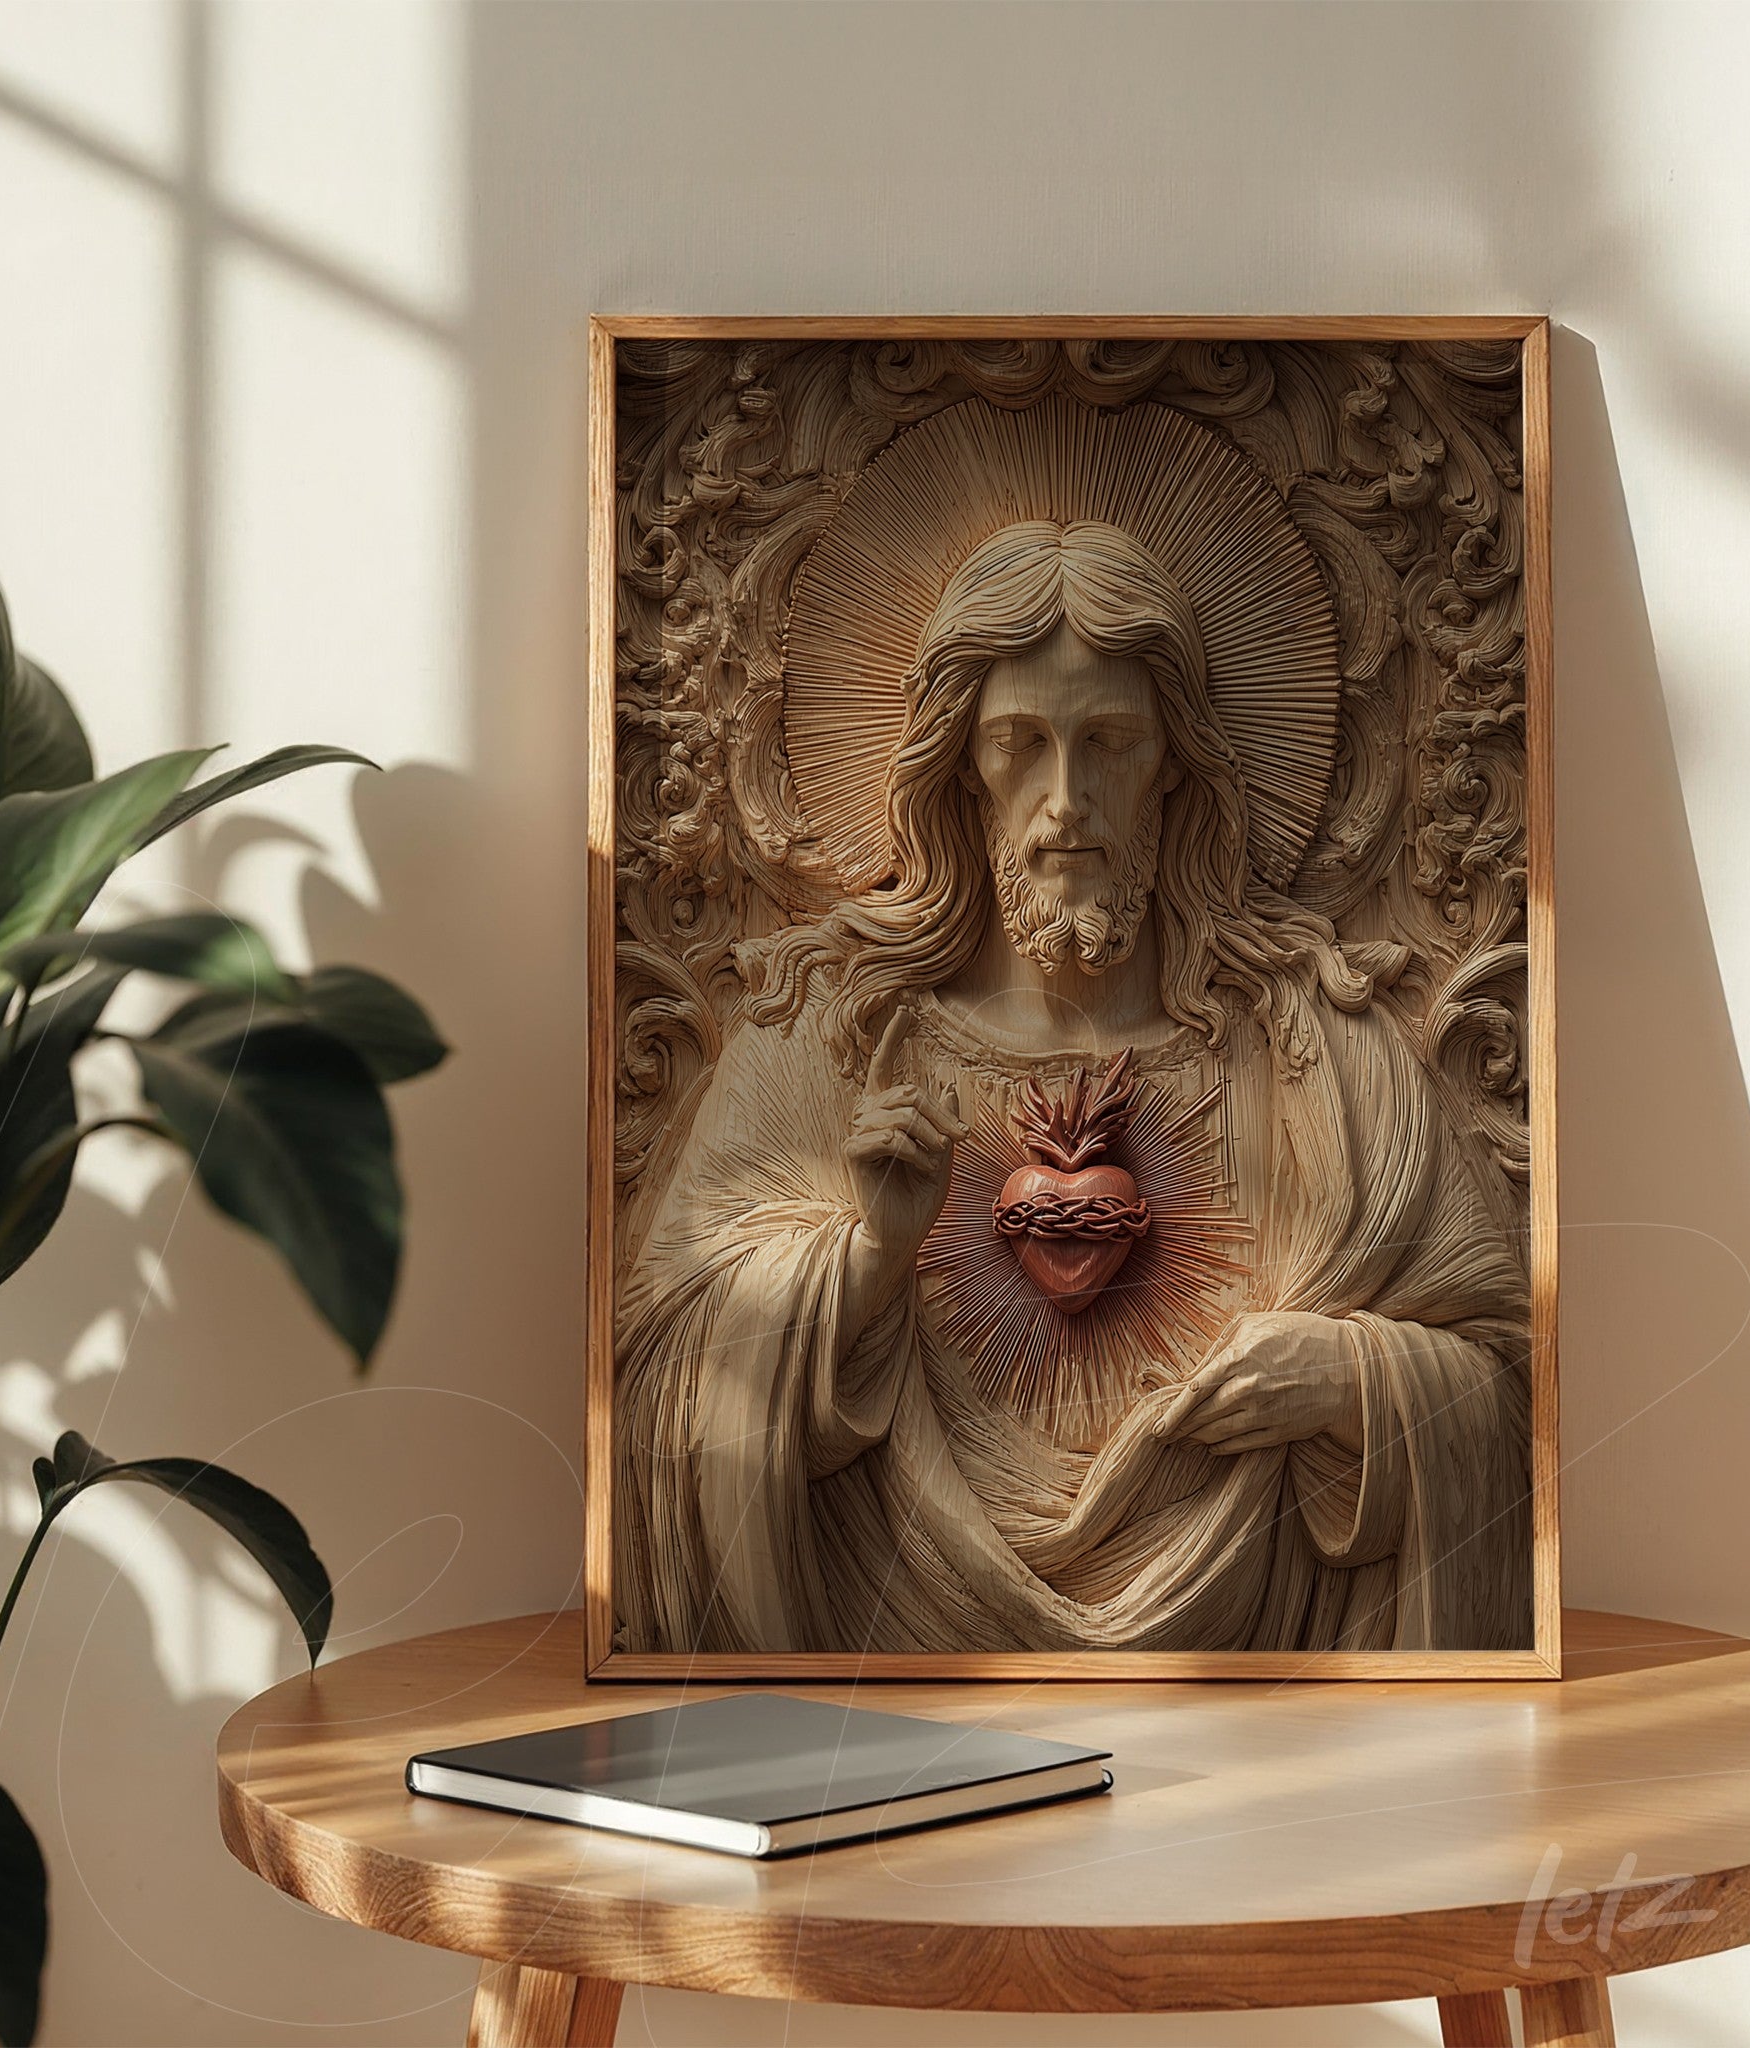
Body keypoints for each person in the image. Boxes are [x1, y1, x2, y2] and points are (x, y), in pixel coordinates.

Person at [614, 519, 1531, 1654]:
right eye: (1019, 745)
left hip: (1268, 1745)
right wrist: (860, 1264)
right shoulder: (827, 1038)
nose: (1064, 800)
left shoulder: (1320, 1057)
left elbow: (1502, 1382)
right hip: (880, 1739)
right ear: (957, 765)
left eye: (1107, 741)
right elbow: (659, 1371)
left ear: (1173, 767)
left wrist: (1350, 1376)